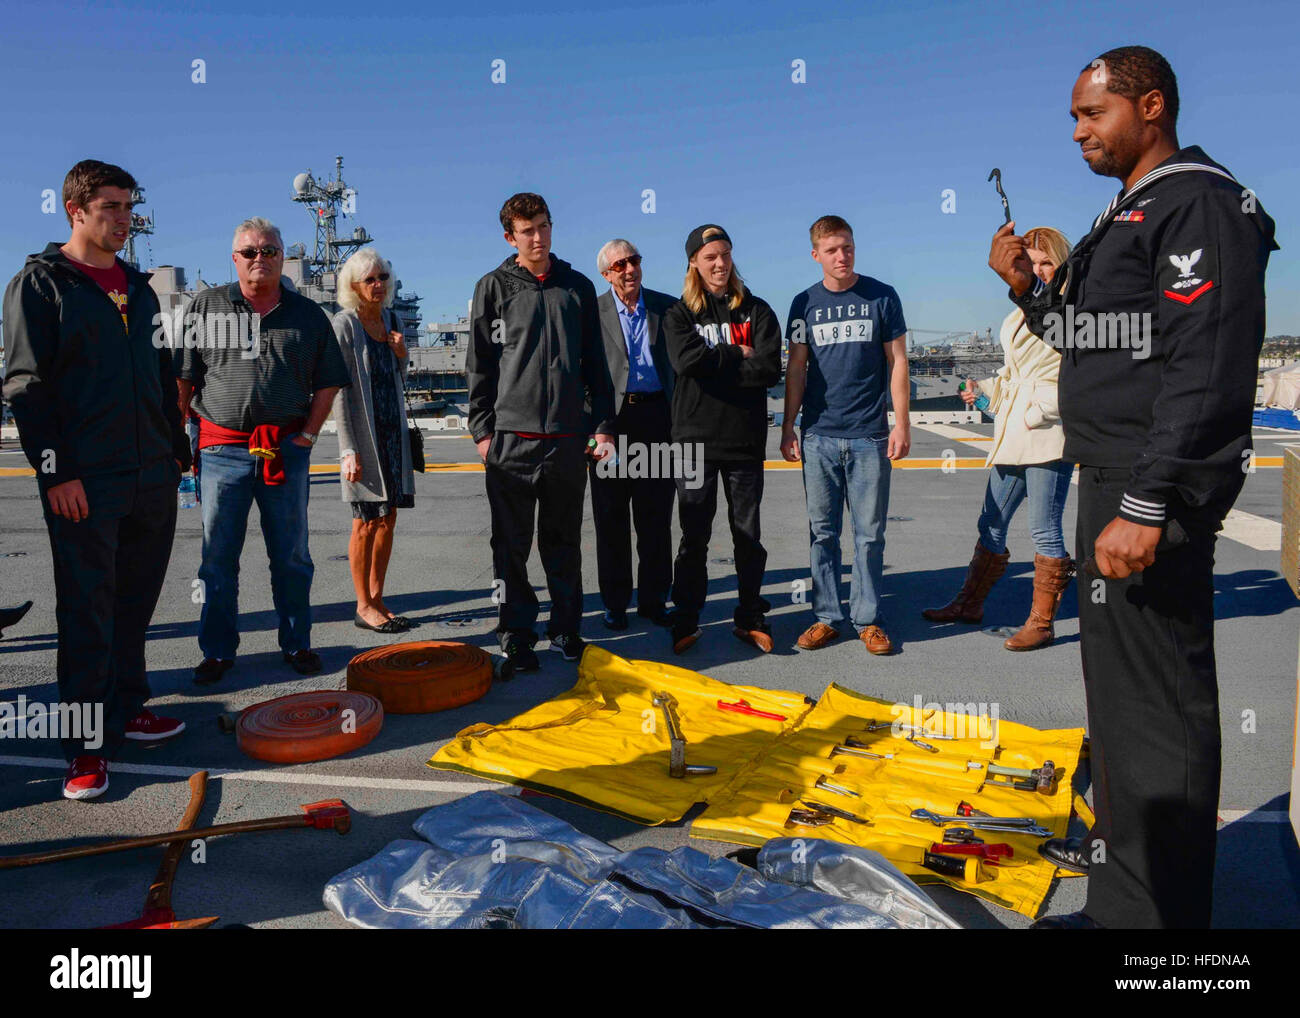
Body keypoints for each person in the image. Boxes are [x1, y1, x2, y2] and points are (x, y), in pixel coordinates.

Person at [988, 46, 1277, 928]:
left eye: (1092, 114)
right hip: (1111, 477)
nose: (1078, 131)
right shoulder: (1136, 208)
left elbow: (1208, 361)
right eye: (1074, 116)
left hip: (1147, 491)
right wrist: (1029, 295)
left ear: (1151, 106)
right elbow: (1101, 336)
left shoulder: (1198, 200)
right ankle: (1127, 904)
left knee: (1154, 711)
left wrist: (1150, 501)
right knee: (1119, 710)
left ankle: (1159, 937)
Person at [2, 159, 191, 800]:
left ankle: (128, 707)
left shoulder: (135, 288)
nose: (124, 219)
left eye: (129, 206)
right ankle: (83, 748)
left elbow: (160, 373)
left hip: (150, 474)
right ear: (74, 211)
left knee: (135, 602)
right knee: (88, 610)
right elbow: (28, 388)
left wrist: (175, 447)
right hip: (84, 480)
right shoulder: (41, 285)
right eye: (110, 206)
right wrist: (56, 472)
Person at [178, 217, 350, 684]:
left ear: (281, 257)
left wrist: (309, 436)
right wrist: (179, 435)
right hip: (221, 451)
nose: (261, 259)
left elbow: (328, 380)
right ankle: (217, 651)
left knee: (292, 555)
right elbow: (184, 378)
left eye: (270, 251)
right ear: (234, 259)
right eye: (250, 252)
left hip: (285, 452)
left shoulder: (308, 315)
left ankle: (296, 643)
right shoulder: (205, 307)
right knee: (217, 558)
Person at [467, 193, 615, 671]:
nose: (538, 237)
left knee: (564, 541)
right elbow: (480, 366)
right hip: (511, 439)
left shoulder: (576, 287)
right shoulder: (493, 288)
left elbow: (597, 365)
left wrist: (603, 427)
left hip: (567, 440)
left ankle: (566, 629)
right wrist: (483, 432)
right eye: (527, 230)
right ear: (510, 236)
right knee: (510, 545)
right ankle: (515, 631)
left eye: (544, 226)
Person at [923, 226, 1075, 652]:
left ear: (1063, 265)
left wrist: (1036, 411)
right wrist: (985, 387)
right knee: (990, 521)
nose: (1039, 271)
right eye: (1031, 262)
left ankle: (1041, 623)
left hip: (1048, 433)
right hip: (1015, 432)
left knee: (1044, 529)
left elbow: (1077, 378)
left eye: (1047, 263)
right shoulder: (1018, 313)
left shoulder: (1073, 314)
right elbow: (1016, 374)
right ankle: (968, 603)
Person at [782, 215, 911, 657]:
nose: (842, 256)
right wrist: (788, 426)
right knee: (822, 533)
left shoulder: (882, 296)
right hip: (819, 436)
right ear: (816, 254)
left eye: (849, 247)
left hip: (870, 437)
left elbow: (898, 363)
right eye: (833, 249)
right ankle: (826, 617)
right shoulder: (803, 304)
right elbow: (796, 368)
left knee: (869, 534)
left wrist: (902, 423)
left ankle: (868, 619)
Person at [663, 225, 782, 655]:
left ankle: (750, 616)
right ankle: (686, 618)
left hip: (744, 442)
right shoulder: (679, 315)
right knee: (694, 535)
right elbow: (686, 360)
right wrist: (736, 353)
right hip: (694, 442)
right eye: (710, 255)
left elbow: (769, 370)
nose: (720, 263)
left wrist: (717, 363)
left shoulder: (758, 311)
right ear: (694, 261)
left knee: (747, 534)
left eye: (726, 254)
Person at [589, 239, 677, 631]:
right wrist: (597, 431)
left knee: (655, 518)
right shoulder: (591, 312)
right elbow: (582, 377)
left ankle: (655, 600)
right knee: (611, 520)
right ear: (606, 274)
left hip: (657, 421)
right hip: (610, 426)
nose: (629, 270)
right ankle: (614, 603)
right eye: (620, 265)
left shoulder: (668, 307)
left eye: (634, 260)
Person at [332, 248, 416, 634]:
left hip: (392, 435)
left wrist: (401, 352)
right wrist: (347, 449)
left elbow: (397, 374)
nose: (379, 284)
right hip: (364, 437)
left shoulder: (393, 319)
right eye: (370, 280)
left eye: (383, 277)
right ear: (354, 287)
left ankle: (379, 598)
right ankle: (362, 604)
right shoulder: (345, 325)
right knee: (364, 523)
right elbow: (338, 391)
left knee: (389, 518)